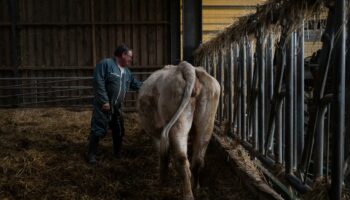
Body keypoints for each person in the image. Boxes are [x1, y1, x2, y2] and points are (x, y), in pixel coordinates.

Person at [87, 44, 142, 164]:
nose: (130, 59)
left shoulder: (127, 72)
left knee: (119, 130)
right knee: (98, 129)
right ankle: (92, 155)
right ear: (123, 54)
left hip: (117, 107)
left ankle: (117, 153)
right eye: (129, 56)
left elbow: (136, 84)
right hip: (104, 106)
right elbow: (98, 82)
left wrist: (151, 86)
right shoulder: (106, 64)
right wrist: (104, 101)